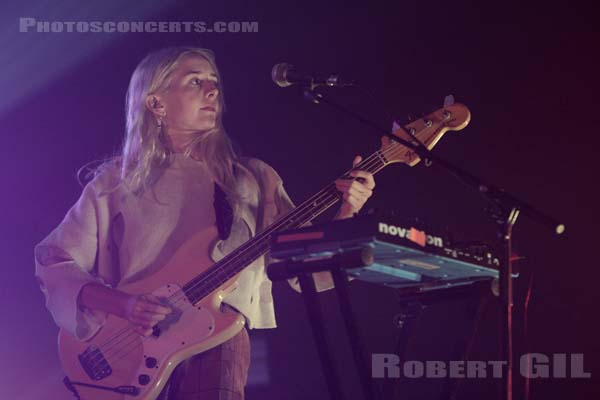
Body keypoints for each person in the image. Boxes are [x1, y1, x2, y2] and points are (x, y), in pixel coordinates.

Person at [34, 46, 375, 400]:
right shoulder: (113, 182)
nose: (212, 91)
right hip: (129, 344)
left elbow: (300, 265)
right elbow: (53, 261)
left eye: (213, 82)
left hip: (219, 336)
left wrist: (347, 211)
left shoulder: (254, 178)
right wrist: (125, 306)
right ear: (155, 103)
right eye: (195, 81)